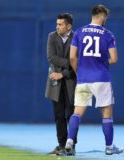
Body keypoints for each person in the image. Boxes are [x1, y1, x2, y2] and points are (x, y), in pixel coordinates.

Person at [65, 4, 124, 155]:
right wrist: (102, 62)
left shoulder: (79, 32)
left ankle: (69, 141)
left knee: (77, 112)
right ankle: (110, 147)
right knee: (107, 112)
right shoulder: (108, 34)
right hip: (101, 78)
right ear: (102, 16)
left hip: (83, 78)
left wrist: (80, 72)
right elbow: (114, 59)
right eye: (106, 17)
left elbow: (72, 57)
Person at [45, 13, 76, 155]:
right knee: (58, 116)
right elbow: (51, 57)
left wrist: (62, 73)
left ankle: (71, 146)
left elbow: (79, 62)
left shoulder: (77, 37)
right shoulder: (52, 36)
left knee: (71, 115)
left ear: (68, 26)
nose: (57, 27)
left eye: (60, 24)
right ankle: (61, 145)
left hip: (71, 81)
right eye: (57, 24)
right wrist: (70, 63)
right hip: (55, 82)